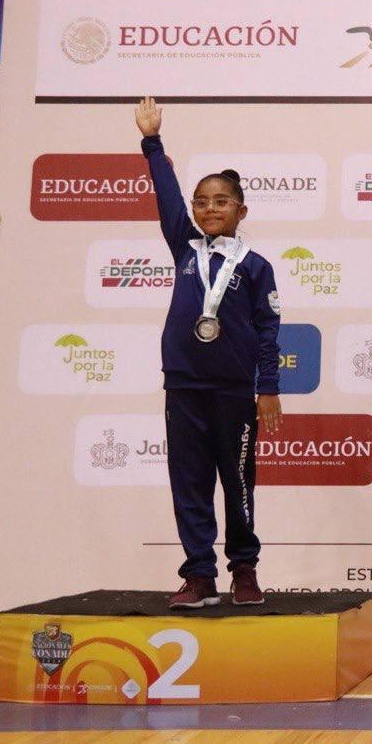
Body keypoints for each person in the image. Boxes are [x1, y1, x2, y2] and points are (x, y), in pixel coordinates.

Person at [135, 97, 283, 608]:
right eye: (202, 201)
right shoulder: (184, 247)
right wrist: (152, 143)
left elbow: (268, 331)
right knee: (190, 482)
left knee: (238, 483)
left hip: (236, 392)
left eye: (221, 201)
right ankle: (199, 574)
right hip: (184, 386)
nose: (209, 209)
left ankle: (244, 568)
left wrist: (268, 389)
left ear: (240, 210)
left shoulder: (255, 265)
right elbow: (166, 199)